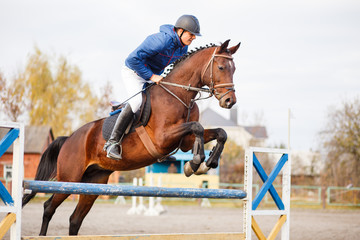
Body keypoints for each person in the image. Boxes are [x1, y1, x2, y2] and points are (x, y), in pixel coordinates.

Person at [104, 15, 201, 160]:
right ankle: (112, 143)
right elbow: (132, 59)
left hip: (153, 76)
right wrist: (151, 76)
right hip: (133, 71)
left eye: (195, 35)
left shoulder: (183, 48)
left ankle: (161, 148)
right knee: (137, 102)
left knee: (163, 104)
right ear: (180, 31)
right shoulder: (161, 40)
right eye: (191, 34)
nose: (193, 38)